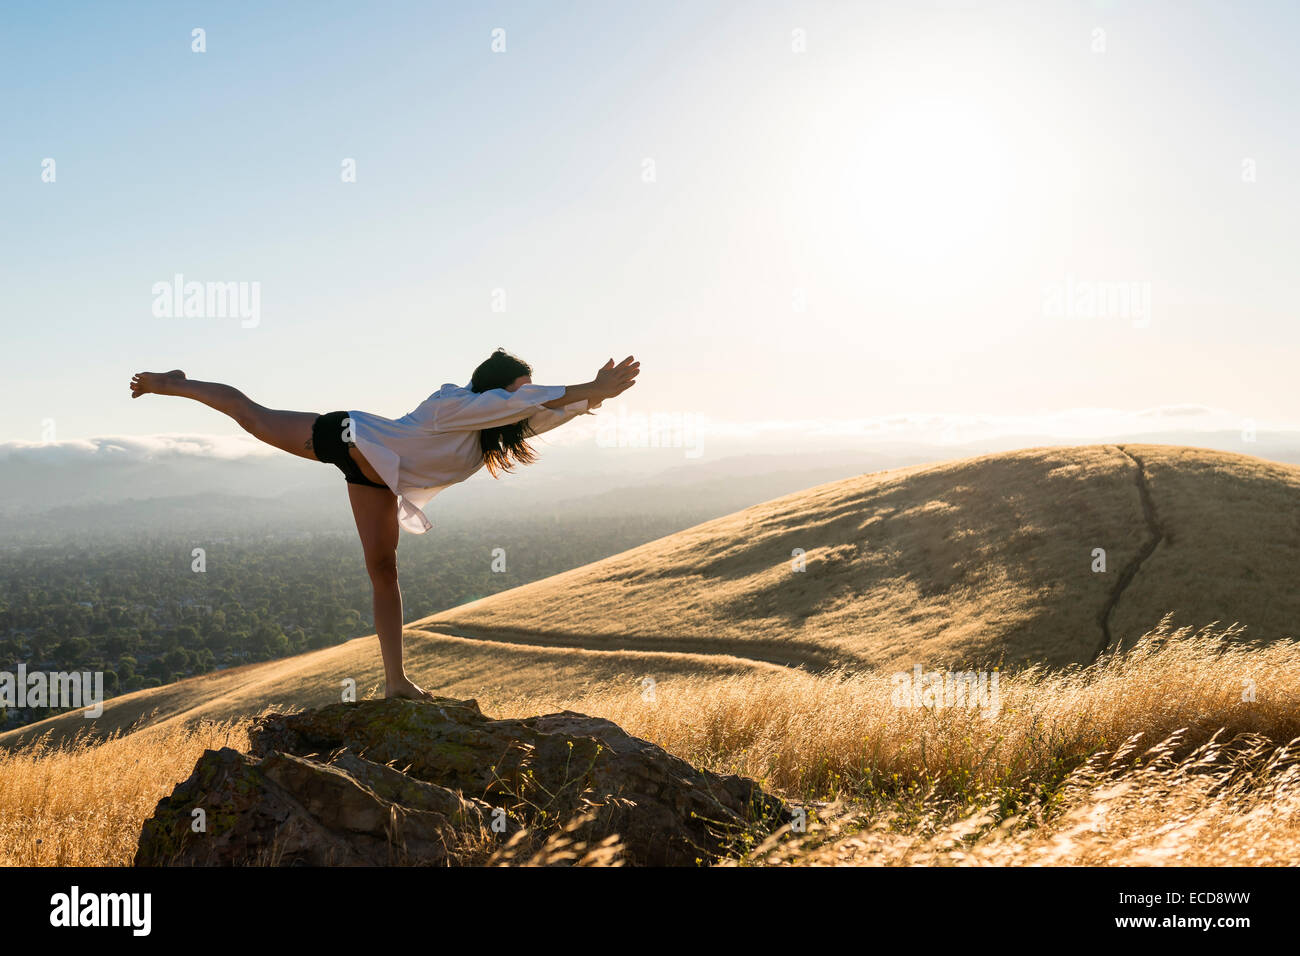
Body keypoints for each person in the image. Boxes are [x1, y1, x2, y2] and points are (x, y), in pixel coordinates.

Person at [129, 349, 640, 700]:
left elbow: (540, 411)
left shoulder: (493, 423)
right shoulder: (453, 405)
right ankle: (175, 384)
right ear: (494, 386)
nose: (522, 397)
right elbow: (518, 403)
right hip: (349, 435)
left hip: (375, 478)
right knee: (251, 415)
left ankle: (395, 680)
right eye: (518, 388)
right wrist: (587, 385)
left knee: (384, 572)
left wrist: (596, 396)